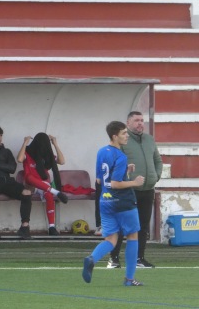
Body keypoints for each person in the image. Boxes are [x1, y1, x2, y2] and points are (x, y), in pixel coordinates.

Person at [82, 121, 145, 286]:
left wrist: (124, 171)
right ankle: (129, 279)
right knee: (132, 235)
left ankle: (92, 258)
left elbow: (99, 179)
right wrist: (135, 182)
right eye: (124, 133)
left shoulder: (102, 152)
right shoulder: (120, 156)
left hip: (105, 201)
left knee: (111, 239)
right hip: (123, 202)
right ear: (114, 136)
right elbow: (116, 183)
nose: (127, 136)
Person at [106, 111, 163, 269]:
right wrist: (128, 180)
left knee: (142, 225)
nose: (140, 123)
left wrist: (155, 176)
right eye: (136, 120)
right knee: (123, 225)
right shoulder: (123, 140)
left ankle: (139, 259)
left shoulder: (149, 140)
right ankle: (114, 258)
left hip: (148, 188)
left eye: (142, 120)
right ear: (128, 123)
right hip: (129, 189)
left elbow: (158, 160)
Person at [16, 133, 69, 235]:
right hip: (30, 183)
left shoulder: (46, 155)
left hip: (44, 185)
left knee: (48, 195)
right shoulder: (28, 152)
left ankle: (52, 227)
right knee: (29, 177)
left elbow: (62, 161)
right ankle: (56, 192)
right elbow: (19, 159)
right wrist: (25, 143)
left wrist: (55, 144)